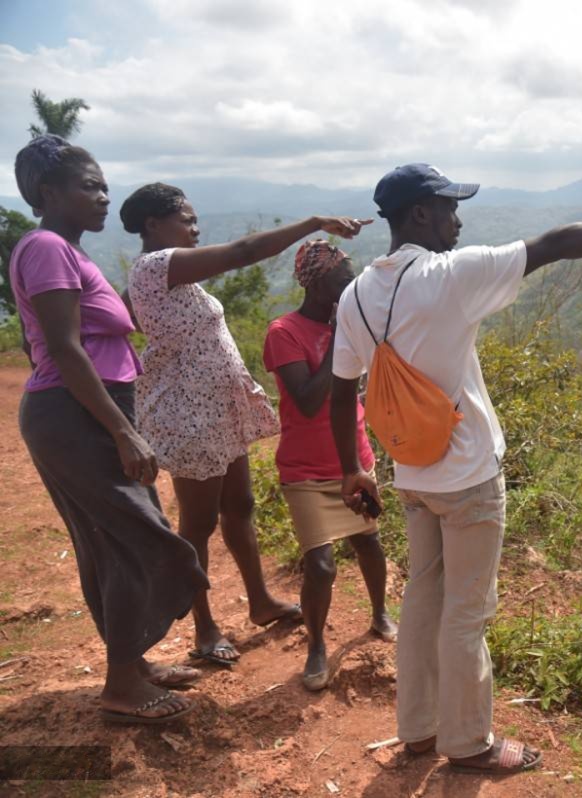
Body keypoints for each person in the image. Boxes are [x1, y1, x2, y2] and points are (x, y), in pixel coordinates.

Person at [330, 162, 582, 774]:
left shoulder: (355, 295)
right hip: (468, 476)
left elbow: (341, 385)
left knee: (423, 598)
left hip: (412, 473)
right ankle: (469, 742)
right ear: (420, 214)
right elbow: (556, 244)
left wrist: (354, 467)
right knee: (467, 611)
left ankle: (420, 731)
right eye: (449, 207)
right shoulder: (449, 275)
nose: (459, 218)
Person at [120, 183, 368, 668]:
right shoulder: (157, 265)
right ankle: (203, 626)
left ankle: (259, 601)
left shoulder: (174, 277)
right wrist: (315, 221)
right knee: (198, 524)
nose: (195, 227)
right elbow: (245, 251)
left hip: (217, 411)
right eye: (185, 219)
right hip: (191, 415)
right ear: (153, 225)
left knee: (240, 505)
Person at [10, 135, 209, 724]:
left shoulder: (65, 251)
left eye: (103, 185)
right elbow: (65, 351)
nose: (103, 196)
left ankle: (135, 665)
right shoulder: (47, 246)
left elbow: (36, 340)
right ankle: (122, 684)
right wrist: (123, 431)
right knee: (136, 542)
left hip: (84, 410)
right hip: (78, 416)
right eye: (89, 185)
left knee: (116, 541)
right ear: (49, 193)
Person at [262, 240, 398, 691]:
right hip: (305, 469)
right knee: (320, 565)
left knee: (369, 544)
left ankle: (379, 613)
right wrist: (342, 334)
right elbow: (306, 399)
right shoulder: (285, 332)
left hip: (353, 459)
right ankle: (317, 644)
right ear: (318, 284)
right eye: (343, 280)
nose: (350, 286)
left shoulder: (350, 323)